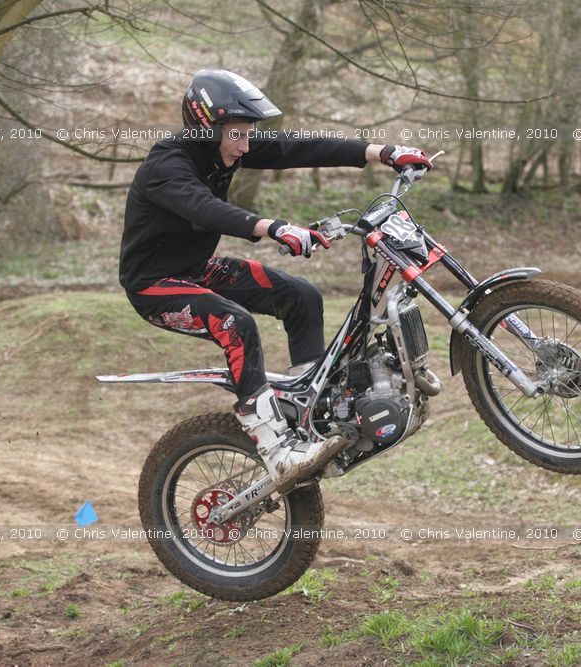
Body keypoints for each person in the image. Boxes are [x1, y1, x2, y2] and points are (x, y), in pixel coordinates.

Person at [119, 69, 432, 492]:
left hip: (197, 270)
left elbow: (294, 147)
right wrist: (274, 226)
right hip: (155, 286)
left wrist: (382, 151)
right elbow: (203, 208)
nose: (246, 146)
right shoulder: (167, 166)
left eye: (248, 135)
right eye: (238, 135)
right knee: (235, 324)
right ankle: (273, 446)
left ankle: (310, 410)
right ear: (205, 128)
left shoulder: (225, 147)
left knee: (301, 295)